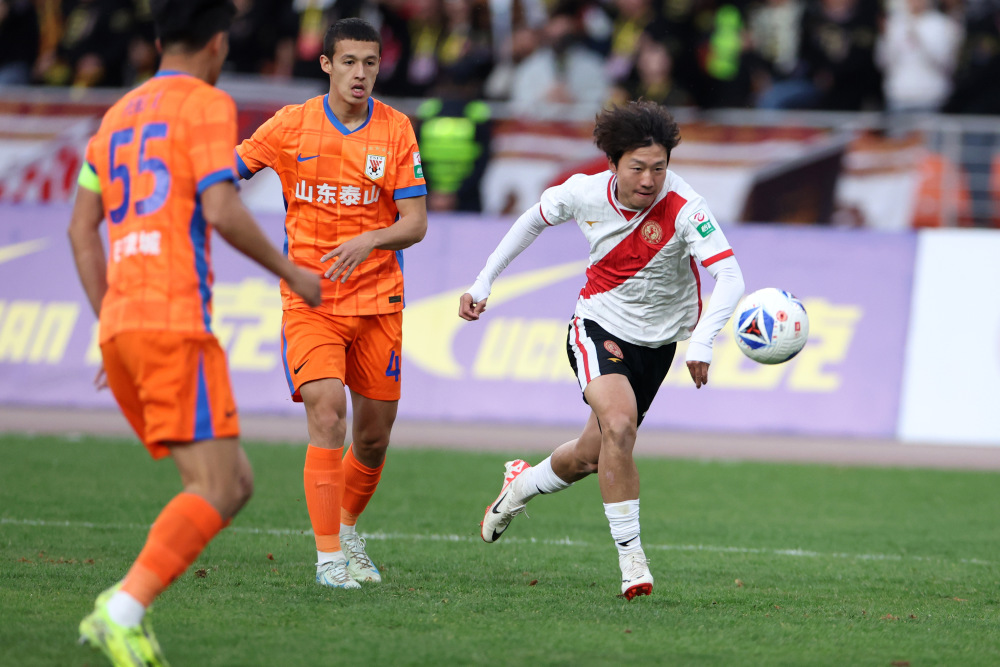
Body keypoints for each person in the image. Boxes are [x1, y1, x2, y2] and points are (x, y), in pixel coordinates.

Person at [68, 1, 322, 664]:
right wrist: (291, 272)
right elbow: (221, 207)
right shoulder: (206, 105)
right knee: (217, 486)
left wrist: (110, 317)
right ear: (217, 44)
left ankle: (124, 606)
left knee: (232, 482)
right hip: (173, 322)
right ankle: (121, 610)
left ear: (158, 42)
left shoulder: (116, 115)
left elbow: (80, 229)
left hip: (123, 325)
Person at [459, 100, 745, 599]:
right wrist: (484, 281)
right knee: (619, 424)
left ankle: (519, 486)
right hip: (597, 325)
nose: (650, 180)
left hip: (658, 345)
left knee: (589, 457)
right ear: (613, 162)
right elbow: (531, 220)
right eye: (638, 167)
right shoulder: (583, 192)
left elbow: (730, 275)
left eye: (659, 168)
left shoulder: (686, 206)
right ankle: (633, 562)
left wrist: (702, 340)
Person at [235, 17, 428, 590]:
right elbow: (227, 173)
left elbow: (415, 222)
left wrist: (371, 239)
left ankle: (345, 531)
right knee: (326, 413)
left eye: (369, 63)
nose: (360, 73)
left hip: (379, 302)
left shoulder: (395, 129)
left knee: (372, 437)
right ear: (326, 65)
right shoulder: (290, 125)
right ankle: (328, 561)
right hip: (312, 300)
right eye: (348, 62)